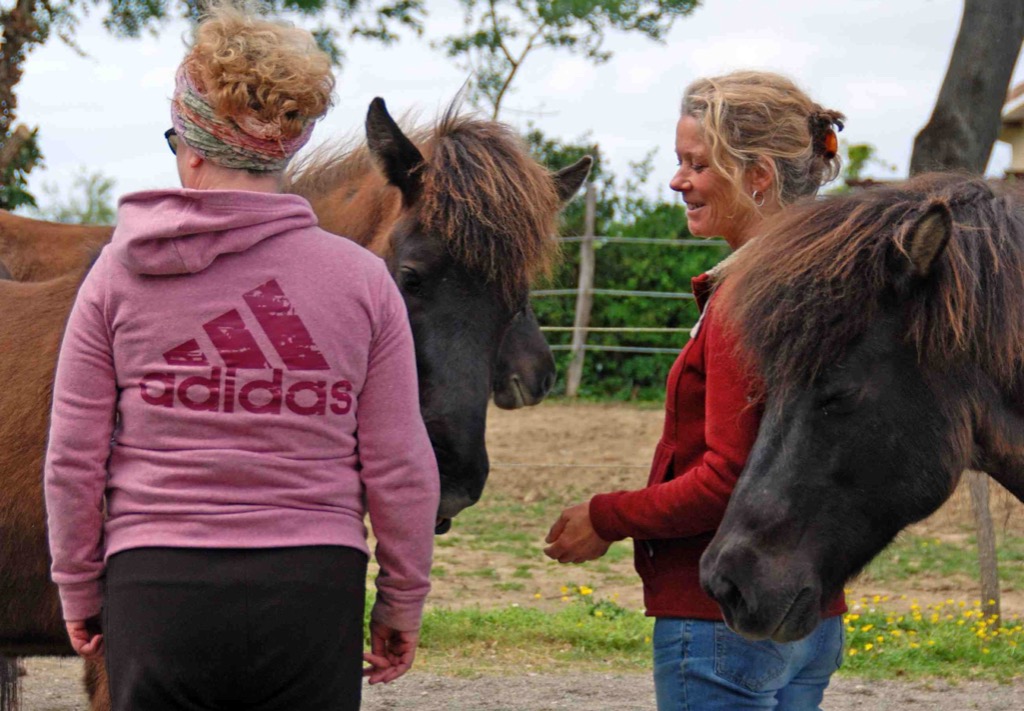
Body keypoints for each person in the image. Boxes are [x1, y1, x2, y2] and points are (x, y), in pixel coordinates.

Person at [43, 4, 439, 710]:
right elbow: (401, 465)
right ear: (287, 146)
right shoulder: (361, 283)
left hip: (156, 585)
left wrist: (78, 586)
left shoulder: (119, 275)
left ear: (192, 144)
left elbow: (73, 456)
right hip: (313, 587)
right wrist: (401, 599)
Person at [543, 70, 848, 710]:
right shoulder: (833, 284)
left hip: (722, 615)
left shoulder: (747, 298)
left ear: (759, 175)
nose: (678, 180)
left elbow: (726, 479)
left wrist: (607, 516)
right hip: (811, 612)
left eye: (697, 164)